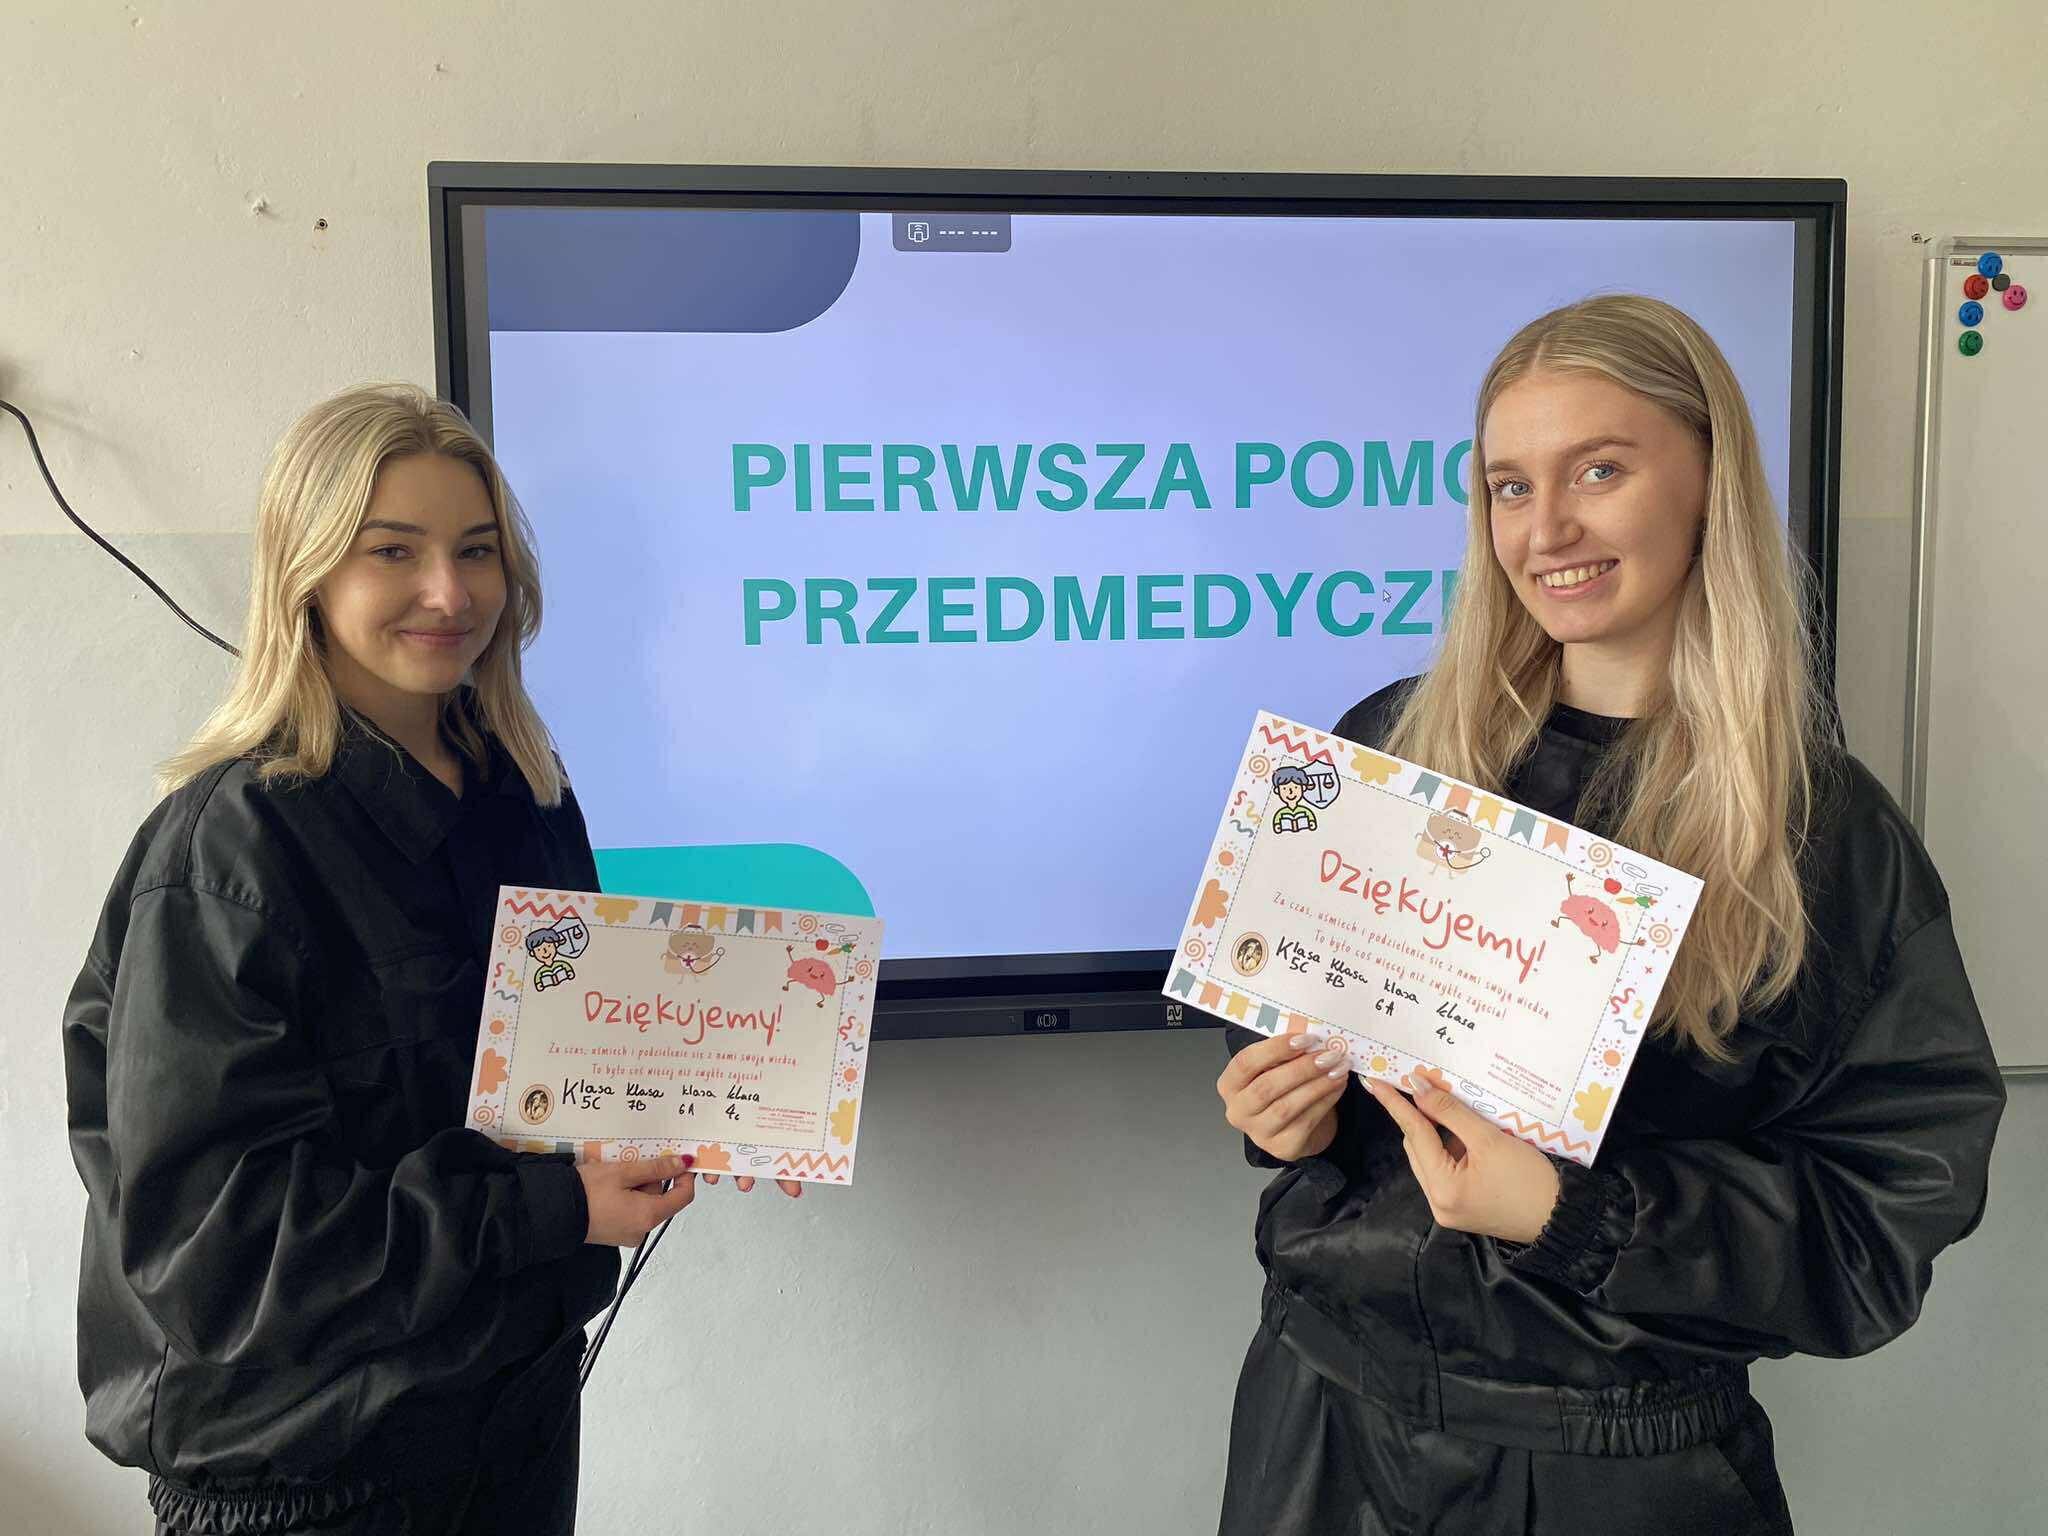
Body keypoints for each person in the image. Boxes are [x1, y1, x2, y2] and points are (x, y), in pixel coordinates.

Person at [1214, 296, 2005, 1535]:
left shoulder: (1823, 840)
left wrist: (1568, 1217)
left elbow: (1875, 1221)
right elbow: (1291, 1025)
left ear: (1707, 485)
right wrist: (1285, 1116)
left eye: (1597, 470)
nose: (1546, 530)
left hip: (1608, 1471)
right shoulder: (1391, 748)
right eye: (1508, 486)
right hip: (1321, 1425)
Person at [62, 383, 795, 1535]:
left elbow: (563, 1079)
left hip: (514, 1420)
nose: (450, 594)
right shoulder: (228, 854)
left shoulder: (526, 796)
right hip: (311, 1478)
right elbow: (219, 1256)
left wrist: (716, 1103)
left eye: (477, 551)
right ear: (307, 573)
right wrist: (552, 1210)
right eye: (392, 551)